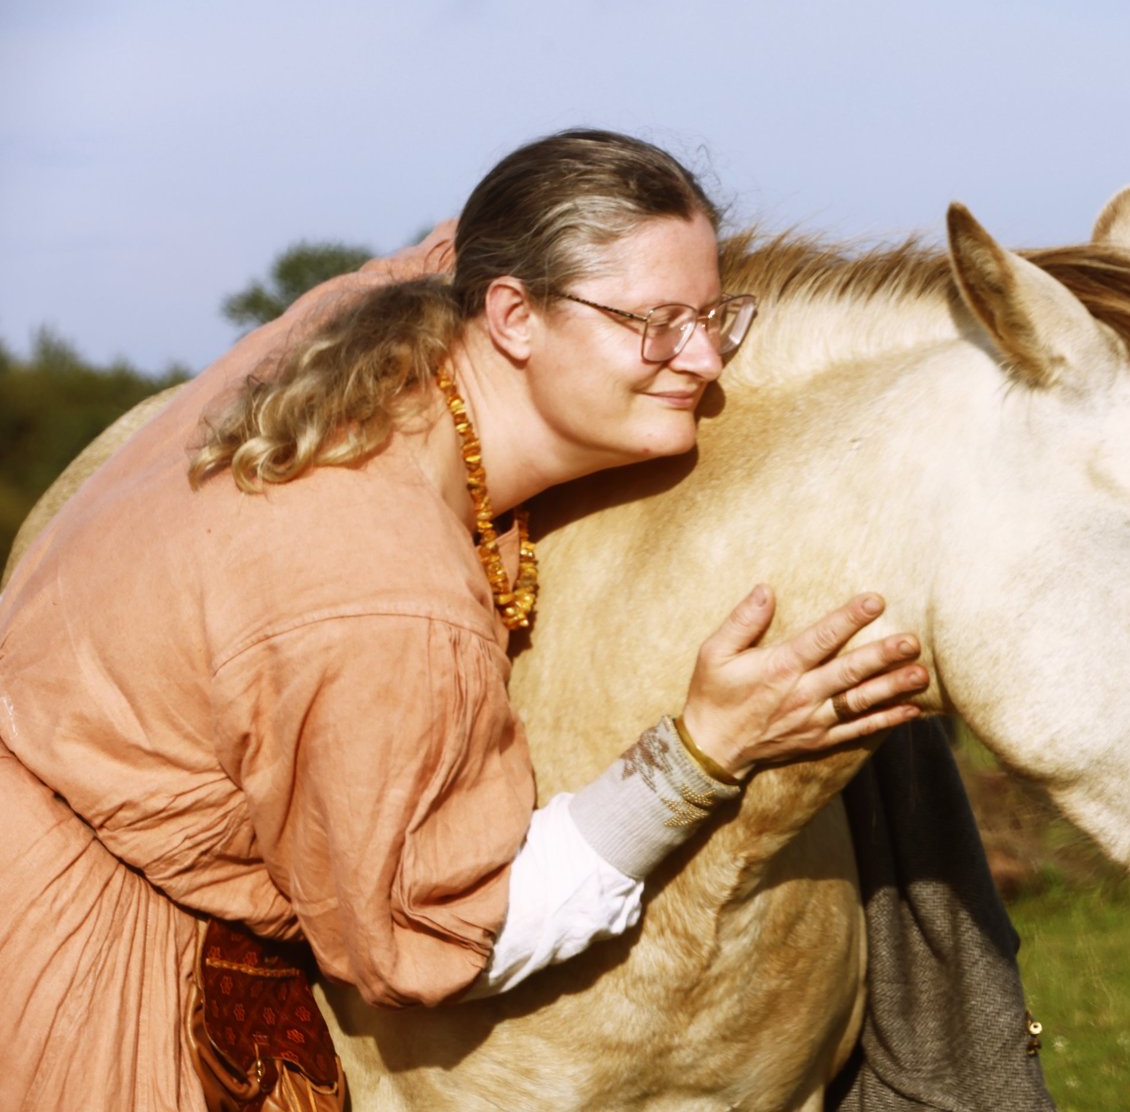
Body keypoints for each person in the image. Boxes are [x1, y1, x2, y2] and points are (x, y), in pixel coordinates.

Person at [0, 129, 932, 1108]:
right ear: (514, 316)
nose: (701, 359)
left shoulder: (379, 323)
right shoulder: (387, 592)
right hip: (81, 964)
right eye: (657, 322)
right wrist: (699, 754)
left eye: (714, 314)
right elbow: (446, 933)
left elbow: (466, 242)